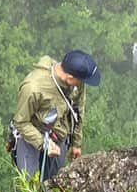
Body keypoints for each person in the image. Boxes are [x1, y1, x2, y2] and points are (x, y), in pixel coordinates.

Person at [10, 50, 101, 180]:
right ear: (70, 77)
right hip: (30, 132)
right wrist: (43, 144)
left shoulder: (77, 83)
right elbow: (21, 122)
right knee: (29, 183)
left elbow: (78, 110)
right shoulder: (33, 88)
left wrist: (76, 143)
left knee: (54, 180)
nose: (82, 84)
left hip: (58, 132)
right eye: (80, 81)